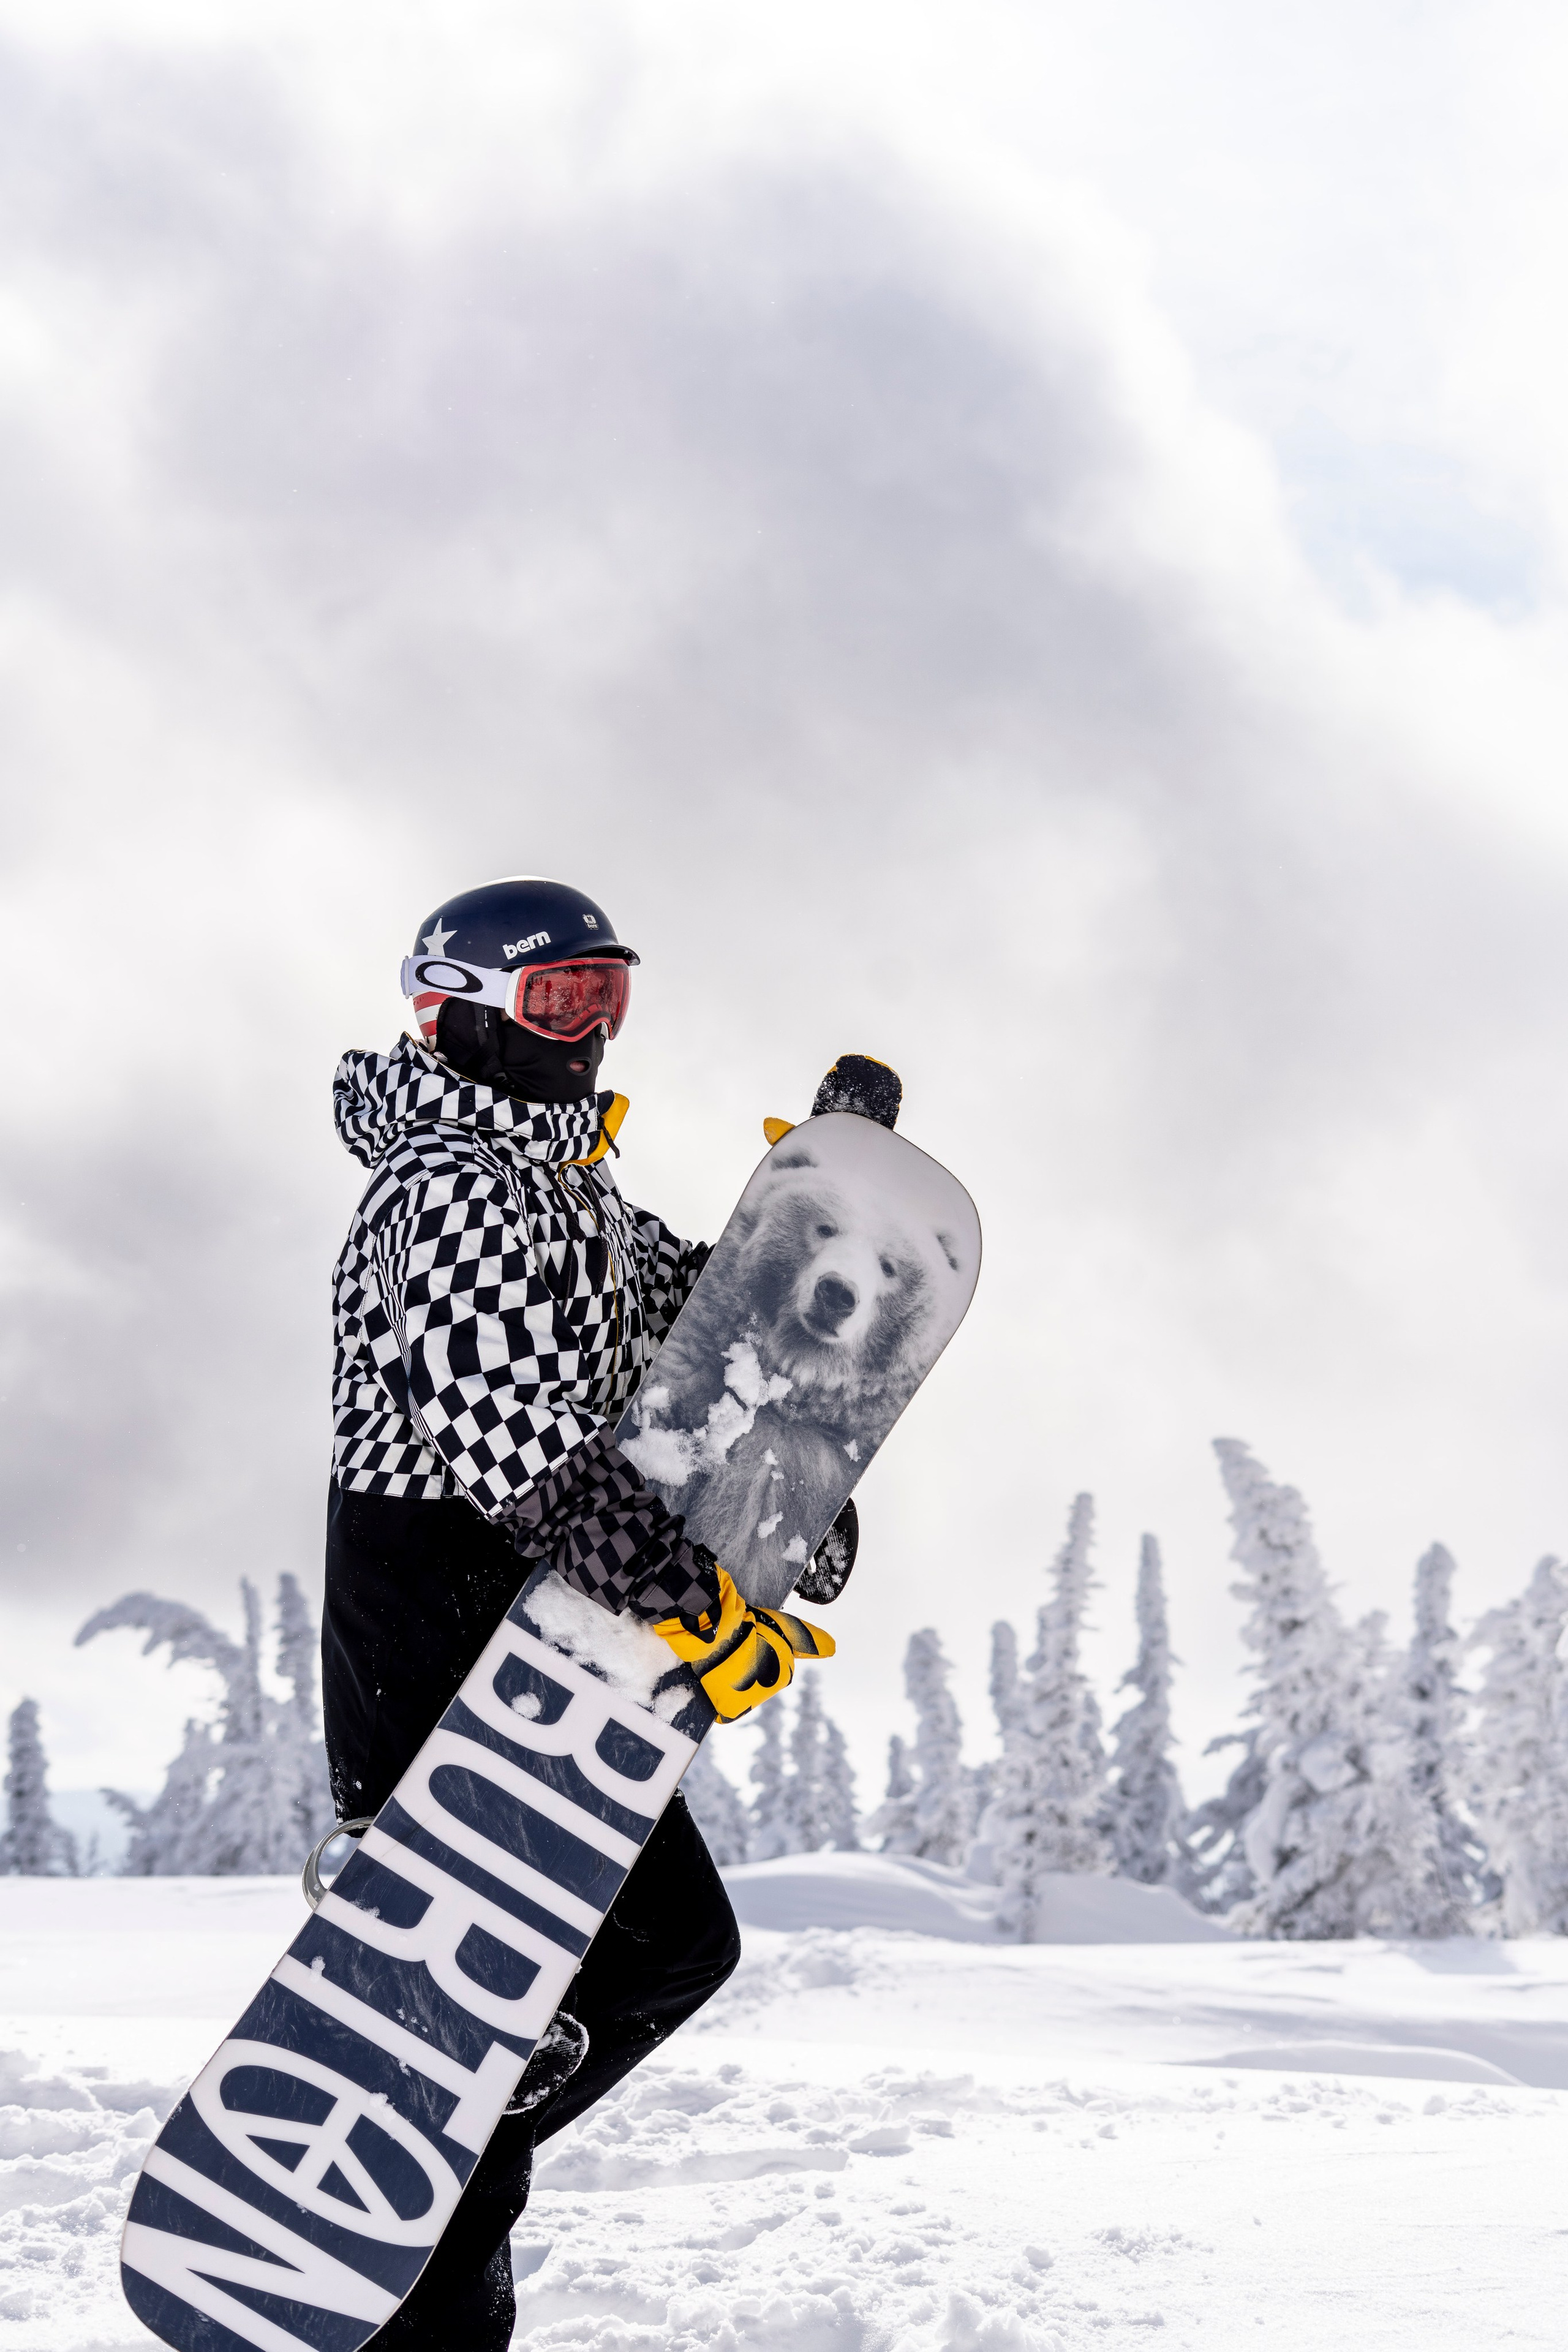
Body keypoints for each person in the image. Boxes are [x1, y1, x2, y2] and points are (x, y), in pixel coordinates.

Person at [322, 875, 834, 2351]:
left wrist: (783, 1256)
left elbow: (686, 1340)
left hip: (531, 1615)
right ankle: (447, 2165)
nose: (589, 1030)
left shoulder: (565, 1186)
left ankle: (456, 2168)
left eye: (607, 994)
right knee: (647, 1949)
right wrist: (684, 1597)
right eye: (557, 1001)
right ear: (459, 1010)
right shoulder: (452, 1186)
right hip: (431, 1618)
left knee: (624, 1965)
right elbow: (503, 1441)